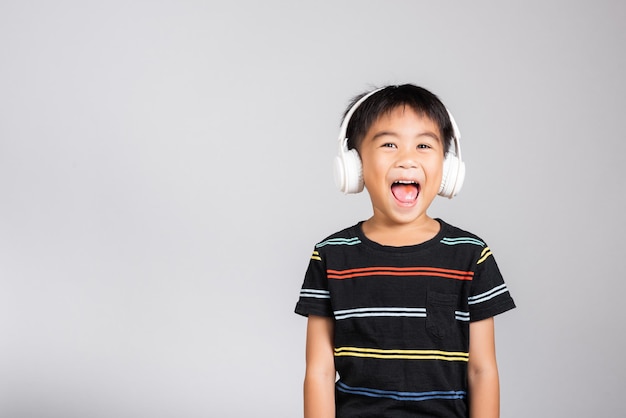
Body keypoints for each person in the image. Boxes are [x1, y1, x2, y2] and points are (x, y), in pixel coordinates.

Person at [294, 84, 516, 418]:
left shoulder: (471, 255)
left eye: (424, 145)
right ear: (355, 164)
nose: (407, 159)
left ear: (448, 167)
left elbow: (482, 371)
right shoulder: (331, 256)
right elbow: (320, 372)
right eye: (388, 144)